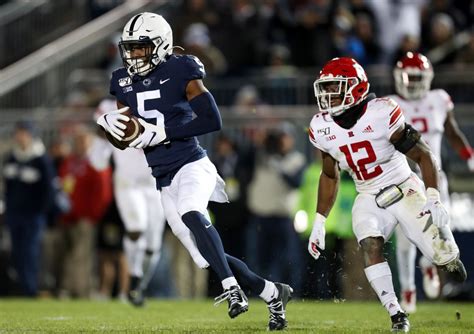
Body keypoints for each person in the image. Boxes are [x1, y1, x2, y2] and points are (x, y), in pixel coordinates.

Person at [96, 12, 292, 331]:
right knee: (205, 258)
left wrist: (164, 133)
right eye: (129, 48)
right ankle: (273, 292)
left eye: (141, 48)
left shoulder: (181, 69)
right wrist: (111, 130)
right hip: (162, 176)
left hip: (192, 163)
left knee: (191, 210)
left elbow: (212, 120)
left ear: (160, 45)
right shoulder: (121, 80)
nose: (133, 55)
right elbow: (127, 140)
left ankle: (232, 290)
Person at [306, 57, 467, 332]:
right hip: (367, 194)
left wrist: (433, 196)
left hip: (404, 186)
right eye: (326, 88)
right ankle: (396, 312)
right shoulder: (322, 127)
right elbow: (330, 174)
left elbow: (424, 154)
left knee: (446, 258)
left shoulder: (381, 112)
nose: (328, 95)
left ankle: (446, 258)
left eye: (335, 87)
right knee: (370, 242)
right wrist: (319, 220)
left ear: (355, 88)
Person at [388, 52, 474, 313]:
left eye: (417, 78)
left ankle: (428, 267)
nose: (412, 83)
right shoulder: (389, 105)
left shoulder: (438, 100)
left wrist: (469, 156)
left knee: (439, 228)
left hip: (434, 177)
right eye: (408, 78)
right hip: (403, 179)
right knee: (404, 239)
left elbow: (451, 131)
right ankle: (407, 290)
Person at [89, 98, 167, 306]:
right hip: (127, 182)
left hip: (154, 183)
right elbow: (97, 161)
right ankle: (132, 281)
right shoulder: (108, 107)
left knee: (152, 245)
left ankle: (139, 285)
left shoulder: (159, 97)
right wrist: (102, 134)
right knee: (135, 228)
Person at [2, 121, 55, 296]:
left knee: (30, 252)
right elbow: (8, 189)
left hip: (33, 215)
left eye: (24, 133)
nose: (20, 137)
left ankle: (31, 289)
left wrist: (41, 211)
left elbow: (48, 190)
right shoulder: (12, 157)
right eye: (18, 133)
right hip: (16, 214)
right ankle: (24, 287)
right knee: (18, 252)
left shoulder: (41, 159)